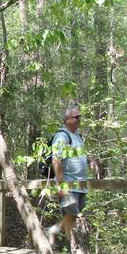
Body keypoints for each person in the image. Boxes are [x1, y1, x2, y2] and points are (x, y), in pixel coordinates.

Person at [45, 104, 99, 245]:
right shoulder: (62, 136)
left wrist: (90, 161)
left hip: (80, 185)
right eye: (76, 117)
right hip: (68, 184)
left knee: (73, 216)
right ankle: (75, 250)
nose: (79, 120)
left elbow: (81, 154)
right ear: (67, 120)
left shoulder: (77, 136)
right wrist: (61, 184)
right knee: (72, 216)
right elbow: (56, 159)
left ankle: (52, 231)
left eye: (80, 117)